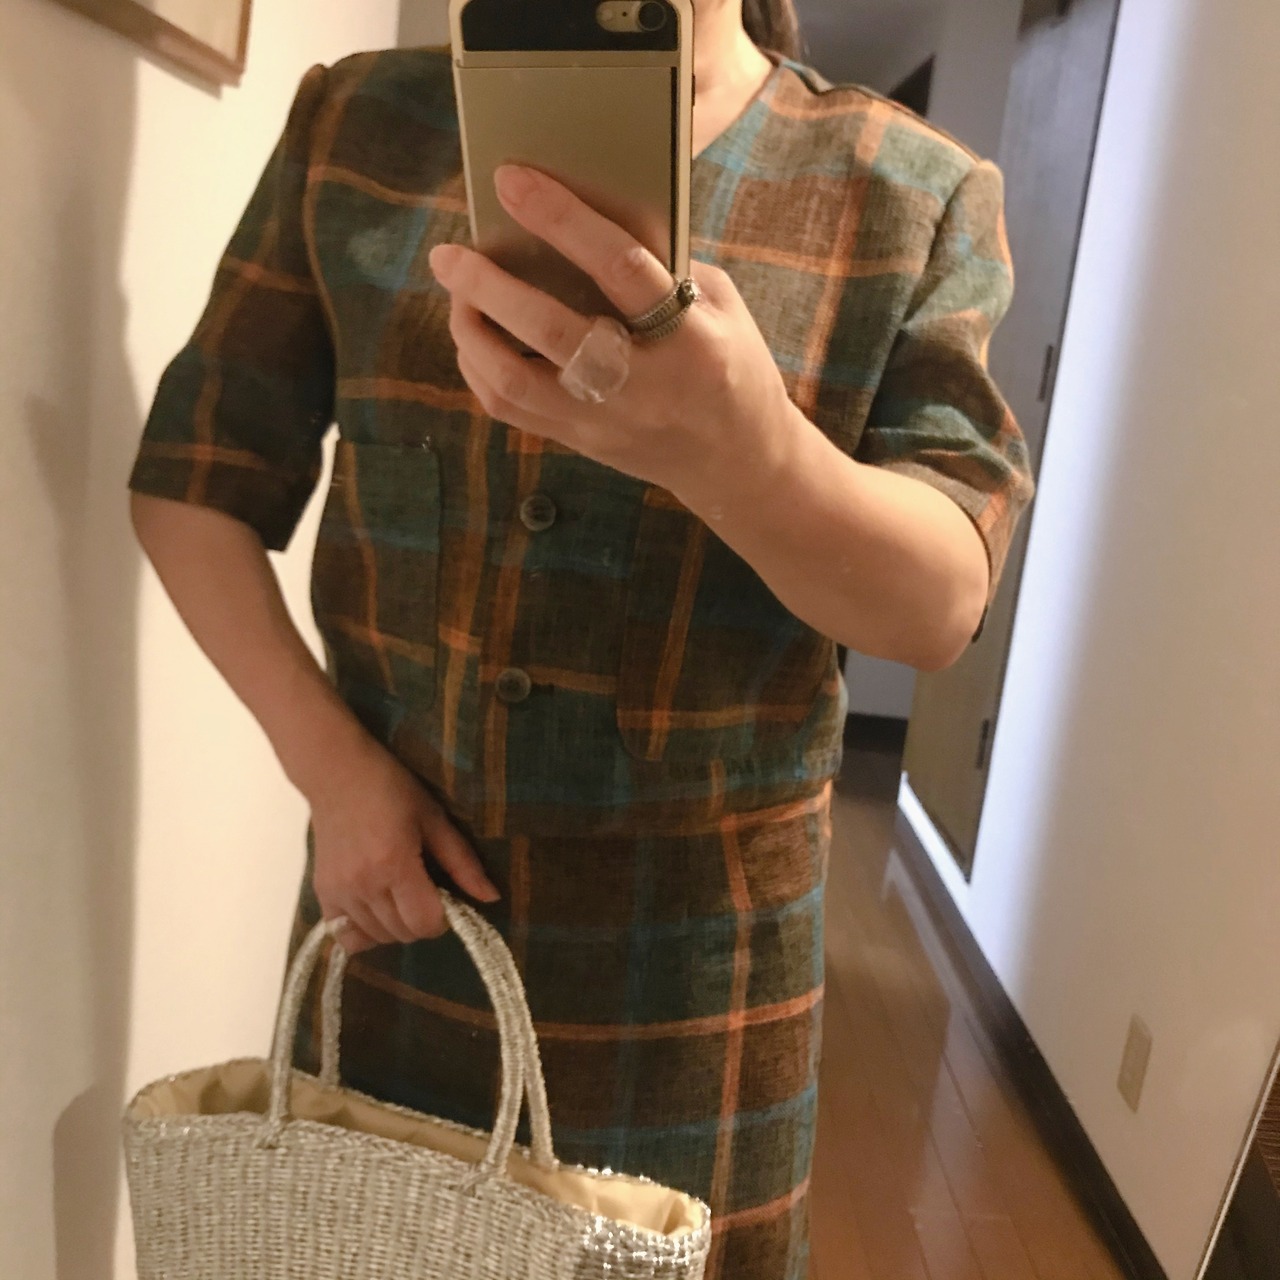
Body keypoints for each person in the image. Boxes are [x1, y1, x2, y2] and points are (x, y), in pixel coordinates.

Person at [126, 1, 1036, 1275]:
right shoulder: (357, 129)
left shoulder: (902, 192)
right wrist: (330, 769)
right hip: (396, 916)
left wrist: (747, 456)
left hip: (699, 994)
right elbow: (193, 480)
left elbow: (939, 602)